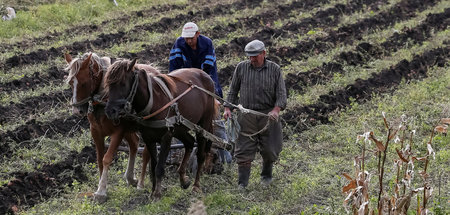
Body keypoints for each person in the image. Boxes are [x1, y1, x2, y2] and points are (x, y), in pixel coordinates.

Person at [223, 40, 287, 188]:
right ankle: (242, 184)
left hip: (267, 115)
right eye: (249, 56)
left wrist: (276, 110)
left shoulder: (274, 69)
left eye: (255, 56)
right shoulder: (241, 68)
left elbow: (281, 94)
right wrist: (227, 108)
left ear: (264, 53)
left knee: (270, 149)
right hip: (246, 115)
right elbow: (233, 90)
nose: (252, 59)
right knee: (243, 149)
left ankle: (266, 176)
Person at [169, 22, 231, 164]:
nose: (189, 41)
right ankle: (174, 157)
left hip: (205, 83)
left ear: (198, 34)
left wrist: (213, 95)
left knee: (215, 121)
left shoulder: (207, 44)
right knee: (175, 122)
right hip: (185, 87)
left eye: (191, 38)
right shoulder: (179, 44)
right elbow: (173, 70)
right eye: (186, 38)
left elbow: (209, 72)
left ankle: (226, 157)